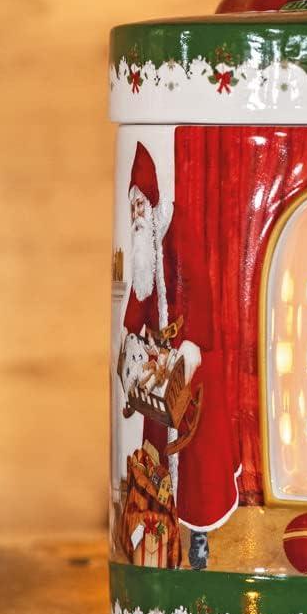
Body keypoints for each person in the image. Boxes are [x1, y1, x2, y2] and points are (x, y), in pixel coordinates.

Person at [119, 142, 239, 568]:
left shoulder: (176, 226)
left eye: (141, 205)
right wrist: (129, 336)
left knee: (197, 460)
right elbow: (140, 293)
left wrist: (191, 346)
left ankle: (200, 534)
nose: (137, 215)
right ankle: (160, 529)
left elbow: (199, 287)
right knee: (157, 451)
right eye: (132, 207)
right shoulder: (142, 247)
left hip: (190, 359)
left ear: (152, 202)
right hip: (157, 362)